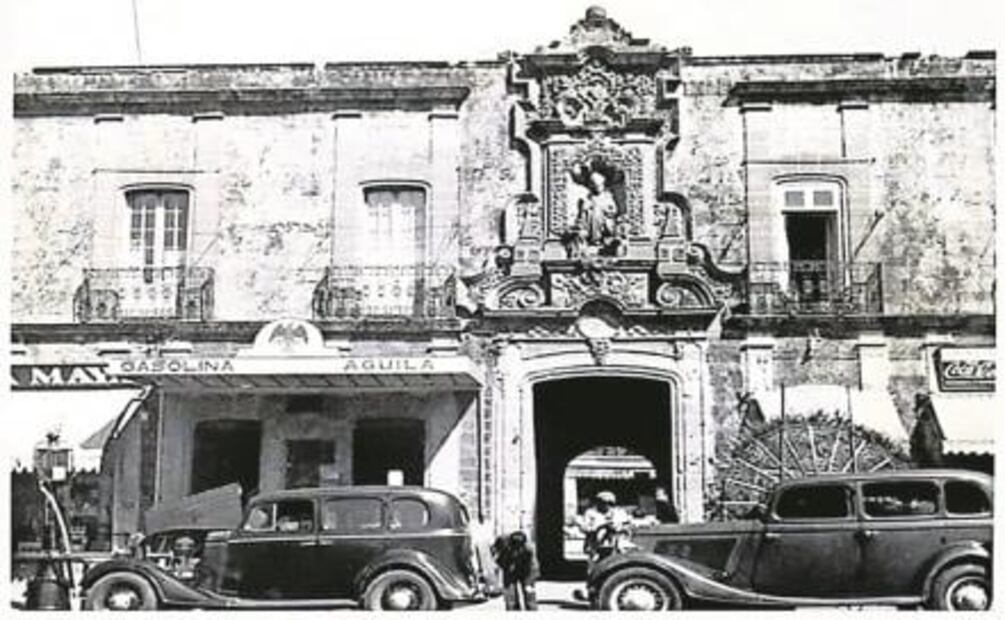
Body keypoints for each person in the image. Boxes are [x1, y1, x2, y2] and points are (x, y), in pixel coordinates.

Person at [573, 491, 633, 564]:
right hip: (595, 545)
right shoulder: (591, 513)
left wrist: (616, 526)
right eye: (603, 503)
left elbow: (626, 527)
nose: (606, 505)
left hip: (613, 544)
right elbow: (584, 528)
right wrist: (599, 526)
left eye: (609, 503)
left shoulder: (617, 513)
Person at [490, 530, 539, 610]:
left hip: (527, 569)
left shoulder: (528, 549)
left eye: (519, 548)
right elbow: (495, 554)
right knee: (510, 596)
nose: (516, 550)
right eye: (514, 546)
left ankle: (532, 610)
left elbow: (531, 567)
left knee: (529, 594)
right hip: (509, 566)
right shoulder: (502, 541)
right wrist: (504, 565)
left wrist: (529, 582)